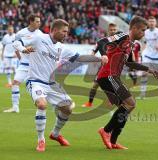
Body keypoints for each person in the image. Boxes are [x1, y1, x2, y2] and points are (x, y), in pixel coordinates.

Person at [13, 18, 108, 152]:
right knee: (41, 104)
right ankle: (41, 140)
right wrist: (23, 49)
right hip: (35, 81)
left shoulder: (61, 48)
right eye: (64, 31)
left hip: (52, 84)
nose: (66, 34)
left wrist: (98, 58)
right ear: (55, 30)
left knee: (68, 109)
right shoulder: (39, 38)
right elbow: (16, 40)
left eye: (67, 32)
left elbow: (80, 57)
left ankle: (55, 134)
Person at [97, 16, 158, 150]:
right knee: (130, 103)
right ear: (135, 28)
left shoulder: (131, 44)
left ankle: (113, 142)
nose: (143, 34)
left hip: (114, 77)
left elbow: (129, 63)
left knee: (126, 108)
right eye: (142, 30)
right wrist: (103, 55)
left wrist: (148, 69)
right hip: (107, 75)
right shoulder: (122, 36)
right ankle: (106, 131)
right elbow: (101, 41)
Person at [3, 14, 42, 113]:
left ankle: (47, 104)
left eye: (39, 21)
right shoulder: (21, 33)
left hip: (35, 65)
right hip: (24, 64)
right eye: (37, 21)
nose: (39, 23)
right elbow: (16, 45)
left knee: (39, 86)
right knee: (15, 83)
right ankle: (15, 107)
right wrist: (23, 51)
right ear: (31, 22)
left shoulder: (40, 34)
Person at [82, 23, 118, 107]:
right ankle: (89, 103)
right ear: (108, 31)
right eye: (111, 30)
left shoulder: (120, 42)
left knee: (113, 85)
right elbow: (92, 54)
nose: (113, 31)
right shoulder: (101, 42)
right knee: (95, 86)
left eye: (114, 30)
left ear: (117, 30)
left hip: (113, 68)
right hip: (103, 68)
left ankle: (113, 100)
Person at [138, 16, 158, 100]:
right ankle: (142, 94)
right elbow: (145, 42)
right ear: (148, 23)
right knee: (144, 73)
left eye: (153, 21)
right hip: (148, 57)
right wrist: (141, 51)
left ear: (155, 23)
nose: (151, 23)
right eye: (150, 21)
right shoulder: (146, 32)